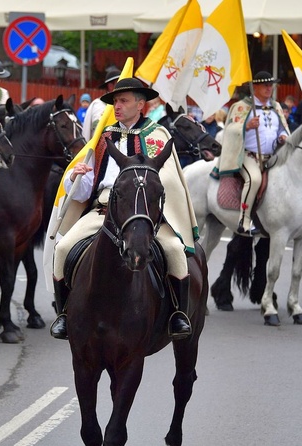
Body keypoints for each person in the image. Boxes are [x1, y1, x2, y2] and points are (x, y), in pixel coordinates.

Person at [50, 78, 198, 341]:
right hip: (104, 208)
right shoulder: (104, 136)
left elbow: (169, 182)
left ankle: (178, 314)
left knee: (175, 250)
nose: (117, 106)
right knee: (62, 249)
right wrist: (77, 176)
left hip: (145, 211)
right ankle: (63, 314)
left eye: (123, 101)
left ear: (141, 104)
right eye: (115, 101)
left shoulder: (157, 135)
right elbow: (88, 189)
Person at [221, 71, 289, 236]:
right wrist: (247, 126)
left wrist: (283, 136)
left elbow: (283, 128)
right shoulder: (241, 107)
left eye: (270, 85)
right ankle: (244, 221)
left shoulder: (276, 107)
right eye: (265, 85)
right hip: (248, 155)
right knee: (254, 179)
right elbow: (229, 130)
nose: (269, 88)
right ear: (255, 87)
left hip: (272, 157)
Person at [82, 68, 120, 140]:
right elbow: (87, 132)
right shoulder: (97, 105)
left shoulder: (127, 107)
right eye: (119, 83)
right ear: (110, 86)